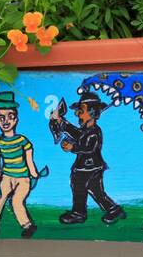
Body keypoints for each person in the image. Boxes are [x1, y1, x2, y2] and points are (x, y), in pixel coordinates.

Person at [51, 90, 125, 226]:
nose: (77, 114)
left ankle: (81, 213)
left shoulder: (94, 132)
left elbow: (88, 147)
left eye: (81, 111)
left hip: (89, 168)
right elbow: (76, 133)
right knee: (94, 192)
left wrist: (73, 148)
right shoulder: (85, 131)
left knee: (86, 190)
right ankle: (111, 210)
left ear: (93, 113)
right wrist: (61, 122)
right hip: (86, 168)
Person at [0, 90, 39, 239]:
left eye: (10, 117)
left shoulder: (22, 141)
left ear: (16, 119)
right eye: (1, 117)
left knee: (16, 201)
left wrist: (34, 174)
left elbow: (29, 158)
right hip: (6, 177)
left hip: (22, 177)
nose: (6, 121)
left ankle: (28, 226)